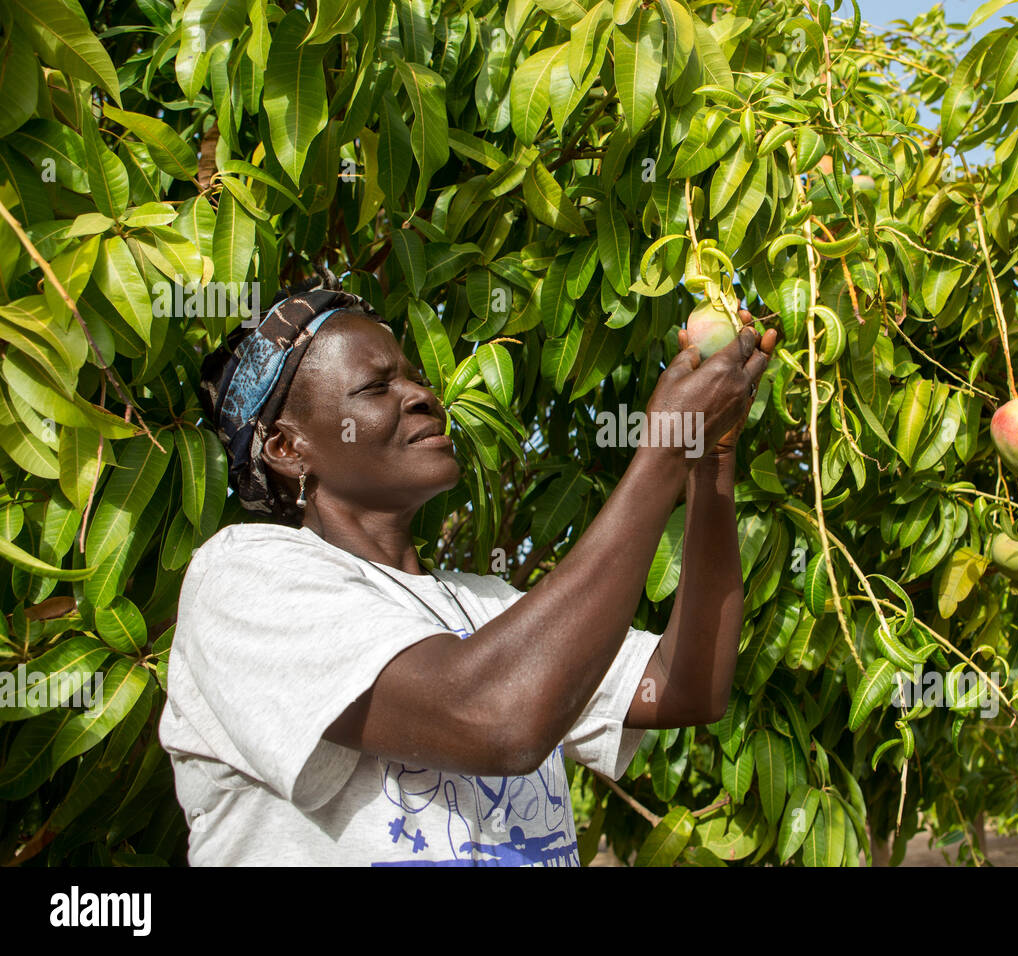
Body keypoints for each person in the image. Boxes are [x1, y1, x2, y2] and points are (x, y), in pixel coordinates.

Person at [158, 275, 775, 866]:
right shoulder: (241, 579)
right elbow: (496, 720)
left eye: (414, 377)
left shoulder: (485, 605)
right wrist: (663, 448)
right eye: (376, 388)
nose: (423, 395)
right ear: (287, 449)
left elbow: (683, 685)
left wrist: (708, 460)